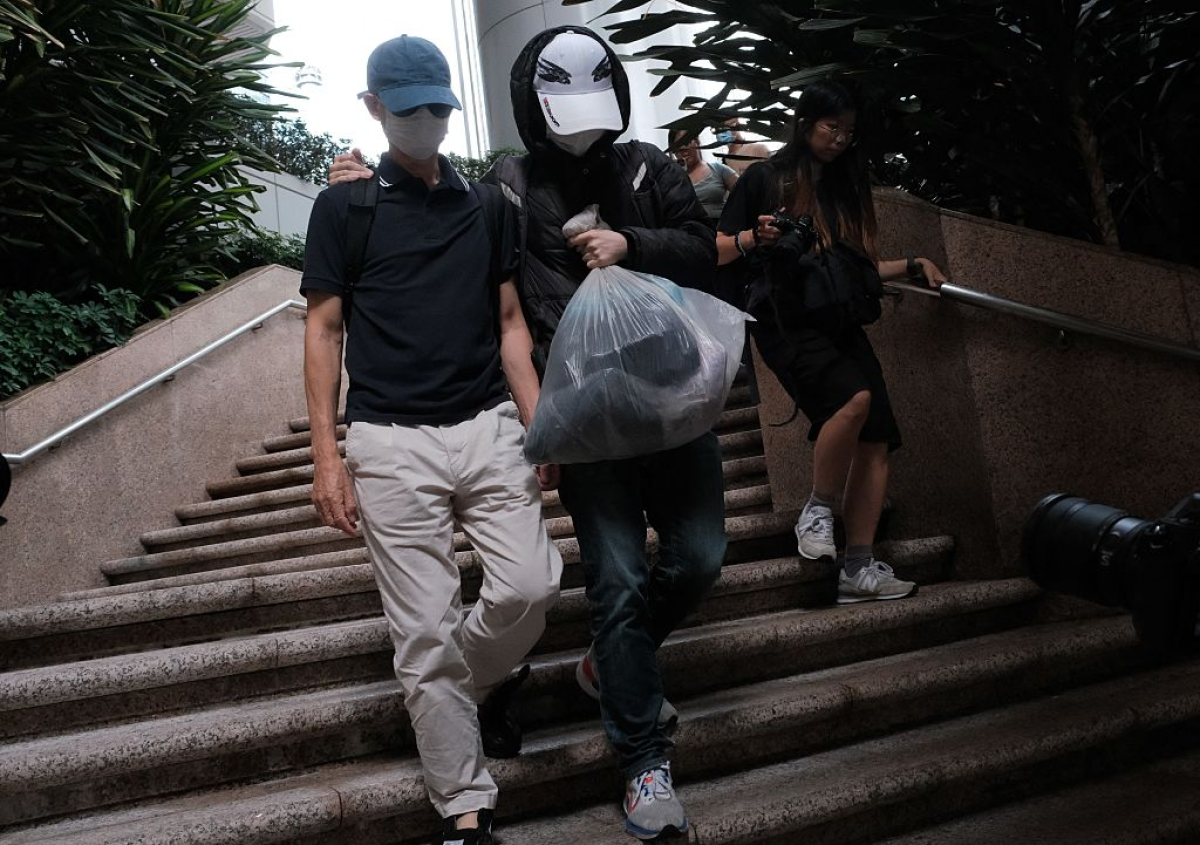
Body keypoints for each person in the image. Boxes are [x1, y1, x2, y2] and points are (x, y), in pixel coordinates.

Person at [335, 25, 726, 842]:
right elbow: (471, 266)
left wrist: (633, 243)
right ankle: (640, 757)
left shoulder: (651, 168)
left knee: (697, 558)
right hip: (581, 419)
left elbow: (703, 251)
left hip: (672, 405)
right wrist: (358, 181)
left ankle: (563, 670)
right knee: (614, 582)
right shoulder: (507, 186)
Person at [302, 35, 562, 845]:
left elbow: (511, 321)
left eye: (437, 107)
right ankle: (466, 812)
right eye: (409, 108)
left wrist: (541, 415)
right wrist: (326, 456)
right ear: (375, 108)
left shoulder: (487, 204)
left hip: (487, 422)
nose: (427, 122)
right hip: (388, 440)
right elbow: (323, 331)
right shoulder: (343, 206)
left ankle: (471, 677)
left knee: (530, 586)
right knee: (422, 632)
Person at [716, 80, 947, 605]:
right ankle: (818, 510)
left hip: (839, 320)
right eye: (830, 126)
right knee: (853, 401)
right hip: (784, 320)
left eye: (848, 131)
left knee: (878, 438)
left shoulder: (845, 188)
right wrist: (758, 238)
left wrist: (911, 264)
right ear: (804, 124)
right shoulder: (764, 179)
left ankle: (858, 567)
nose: (840, 139)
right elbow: (715, 250)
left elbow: (857, 268)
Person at [669, 129, 738, 228]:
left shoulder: (718, 169)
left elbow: (744, 193)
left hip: (721, 230)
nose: (683, 149)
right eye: (678, 146)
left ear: (697, 142)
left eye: (686, 142)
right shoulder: (673, 180)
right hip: (690, 234)